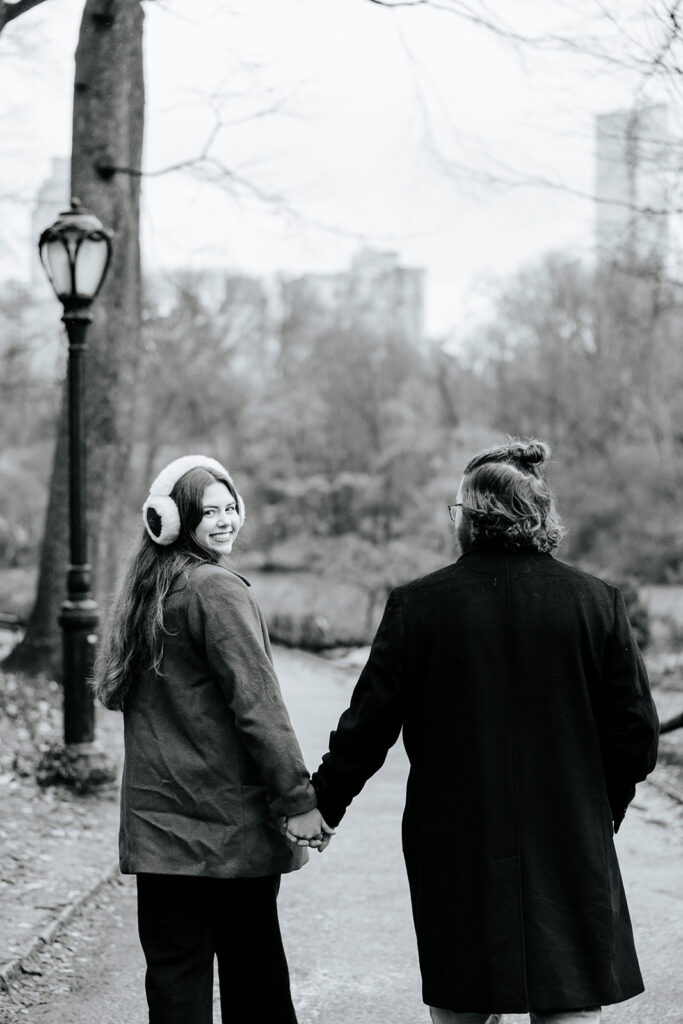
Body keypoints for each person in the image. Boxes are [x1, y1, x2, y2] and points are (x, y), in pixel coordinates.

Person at [287, 438, 659, 1024]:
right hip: (570, 834)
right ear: (540, 514)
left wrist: (322, 803)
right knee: (569, 997)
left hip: (455, 839)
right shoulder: (597, 603)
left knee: (463, 1000)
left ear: (469, 517)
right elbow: (636, 736)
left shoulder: (419, 606)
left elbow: (367, 728)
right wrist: (599, 807)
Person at [94, 454, 325, 1024]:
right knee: (255, 982)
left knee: (175, 985)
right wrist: (298, 800)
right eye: (208, 513)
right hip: (228, 833)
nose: (225, 521)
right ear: (174, 521)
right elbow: (259, 707)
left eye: (230, 508)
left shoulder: (149, 591)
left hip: (159, 832)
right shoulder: (216, 589)